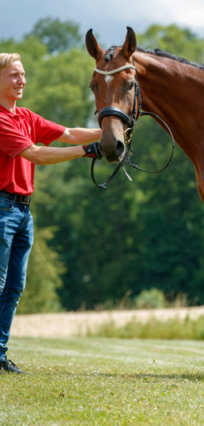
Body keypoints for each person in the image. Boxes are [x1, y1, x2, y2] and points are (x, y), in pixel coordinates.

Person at [0, 53, 103, 374]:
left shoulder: (27, 117)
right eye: (14, 75)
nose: (21, 81)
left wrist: (112, 129)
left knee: (14, 286)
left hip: (23, 212)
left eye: (23, 74)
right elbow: (36, 154)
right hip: (2, 210)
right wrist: (85, 152)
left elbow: (70, 133)